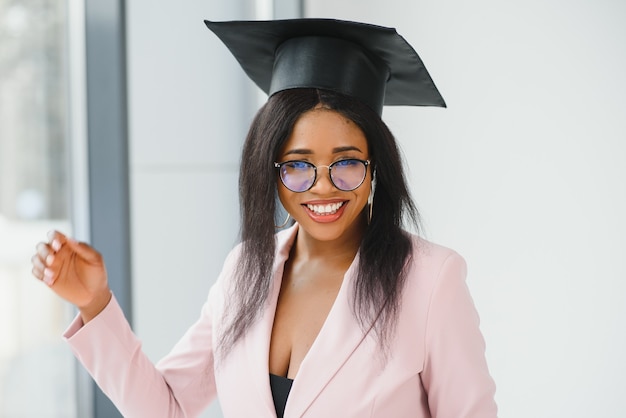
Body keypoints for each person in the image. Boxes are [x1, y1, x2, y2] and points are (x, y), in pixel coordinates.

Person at [31, 18, 497, 418]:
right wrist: (95, 305)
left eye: (347, 161)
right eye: (297, 165)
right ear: (270, 171)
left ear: (377, 166)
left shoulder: (431, 279)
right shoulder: (243, 271)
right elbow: (167, 407)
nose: (322, 186)